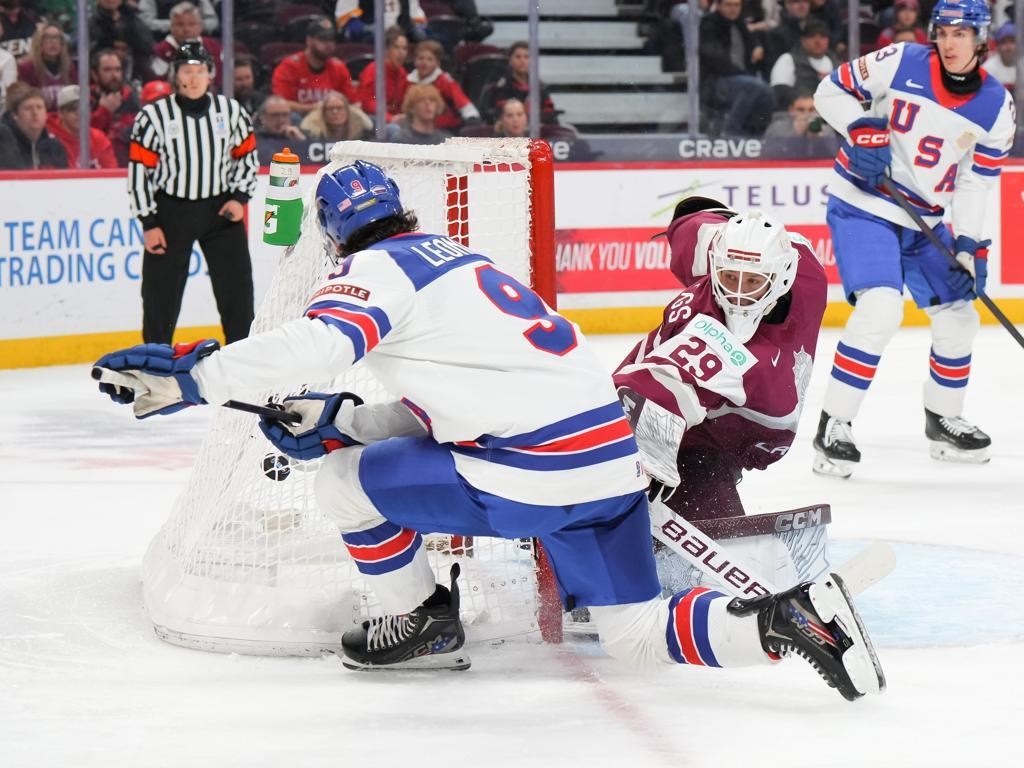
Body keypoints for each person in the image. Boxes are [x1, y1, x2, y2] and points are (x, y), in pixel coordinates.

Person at [92, 159, 884, 702]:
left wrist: (197, 378)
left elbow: (323, 345)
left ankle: (422, 625)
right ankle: (788, 620)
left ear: (334, 236)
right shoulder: (465, 263)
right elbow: (466, 400)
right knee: (637, 637)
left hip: (532, 474)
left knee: (339, 485)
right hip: (612, 461)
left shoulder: (375, 269)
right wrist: (348, 421)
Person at [811, 0, 1013, 477]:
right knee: (881, 308)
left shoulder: (996, 107)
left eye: (960, 34)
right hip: (864, 202)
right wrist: (861, 129)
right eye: (942, 32)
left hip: (925, 219)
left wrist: (969, 245)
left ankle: (943, 419)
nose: (949, 43)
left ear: (981, 40)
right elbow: (829, 91)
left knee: (960, 316)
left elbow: (975, 182)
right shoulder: (901, 59)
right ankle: (833, 425)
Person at [612, 198, 826, 525]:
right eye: (728, 278)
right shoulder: (714, 339)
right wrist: (644, 454)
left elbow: (694, 231)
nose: (738, 294)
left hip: (720, 431)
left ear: (782, 276)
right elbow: (660, 384)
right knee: (711, 527)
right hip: (675, 436)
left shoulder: (805, 269)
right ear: (715, 267)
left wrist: (696, 218)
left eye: (753, 281)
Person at [127, 41, 258, 345]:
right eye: (187, 71)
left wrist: (239, 198)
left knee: (237, 291)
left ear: (210, 74)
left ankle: (243, 356)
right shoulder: (153, 117)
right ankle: (156, 360)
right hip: (171, 213)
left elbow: (247, 158)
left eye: (200, 70)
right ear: (176, 75)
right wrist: (149, 222)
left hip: (221, 210)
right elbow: (139, 172)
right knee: (160, 296)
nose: (194, 77)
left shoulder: (231, 112)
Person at [699, 0, 773, 136]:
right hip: (716, 81)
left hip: (741, 79)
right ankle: (730, 132)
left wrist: (757, 46)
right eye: (728, 5)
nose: (733, 9)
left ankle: (756, 136)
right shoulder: (708, 25)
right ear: (718, 5)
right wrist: (743, 74)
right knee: (754, 87)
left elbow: (752, 41)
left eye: (736, 5)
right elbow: (715, 59)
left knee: (768, 92)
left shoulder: (739, 23)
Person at [272, 17, 360, 118]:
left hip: (332, 119)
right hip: (301, 119)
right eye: (323, 39)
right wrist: (313, 108)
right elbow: (281, 103)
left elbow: (353, 102)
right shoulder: (289, 66)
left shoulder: (339, 67)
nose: (328, 44)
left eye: (331, 39)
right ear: (309, 41)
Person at [407, 39, 480, 132]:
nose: (424, 63)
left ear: (438, 63)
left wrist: (472, 117)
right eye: (421, 58)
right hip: (415, 127)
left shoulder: (444, 80)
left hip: (445, 129)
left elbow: (461, 100)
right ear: (415, 61)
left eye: (430, 59)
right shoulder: (408, 80)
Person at [480, 40, 557, 124]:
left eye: (526, 57)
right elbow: (496, 117)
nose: (522, 60)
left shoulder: (540, 87)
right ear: (510, 60)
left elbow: (550, 115)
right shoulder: (500, 87)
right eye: (518, 57)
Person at [769, 19, 840, 108]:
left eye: (823, 36)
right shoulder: (788, 59)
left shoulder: (837, 63)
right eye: (812, 36)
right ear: (803, 40)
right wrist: (799, 101)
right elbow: (780, 89)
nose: (818, 41)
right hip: (800, 112)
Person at [150, 2, 223, 87]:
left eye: (191, 24)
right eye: (180, 24)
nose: (186, 29)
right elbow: (157, 80)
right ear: (171, 27)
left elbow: (220, 78)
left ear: (200, 26)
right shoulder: (161, 50)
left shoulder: (212, 46)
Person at [0, 82, 68, 169]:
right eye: (28, 108)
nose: (35, 113)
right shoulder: (4, 142)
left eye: (39, 107)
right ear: (15, 115)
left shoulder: (54, 146)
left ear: (46, 114)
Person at [47, 84, 117, 168]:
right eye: (73, 109)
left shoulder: (98, 138)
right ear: (61, 113)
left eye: (84, 108)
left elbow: (111, 171)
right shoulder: (49, 139)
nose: (79, 113)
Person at [89, 48, 139, 167]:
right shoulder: (86, 98)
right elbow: (84, 138)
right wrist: (104, 111)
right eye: (107, 70)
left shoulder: (130, 97)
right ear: (94, 74)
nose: (114, 75)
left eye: (117, 69)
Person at [17, 22, 77, 112]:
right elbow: (25, 101)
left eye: (57, 37)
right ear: (39, 42)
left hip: (65, 117)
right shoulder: (27, 68)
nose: (53, 42)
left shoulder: (69, 66)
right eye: (47, 38)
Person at [357, 25, 409, 123]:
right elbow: (368, 102)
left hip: (395, 118)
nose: (401, 52)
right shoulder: (373, 70)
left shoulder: (402, 72)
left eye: (404, 48)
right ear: (386, 50)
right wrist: (389, 118)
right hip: (373, 119)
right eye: (396, 47)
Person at [384, 82, 450, 144]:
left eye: (432, 99)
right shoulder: (401, 140)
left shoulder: (444, 141)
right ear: (411, 107)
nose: (427, 103)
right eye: (421, 100)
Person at [299, 90, 372, 141]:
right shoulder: (313, 133)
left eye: (339, 108)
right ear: (323, 112)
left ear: (347, 111)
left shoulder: (362, 130)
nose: (335, 112)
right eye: (330, 108)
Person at [982, 22, 1016, 88]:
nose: (1008, 47)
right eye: (1004, 42)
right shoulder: (987, 69)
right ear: (997, 46)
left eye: (1012, 41)